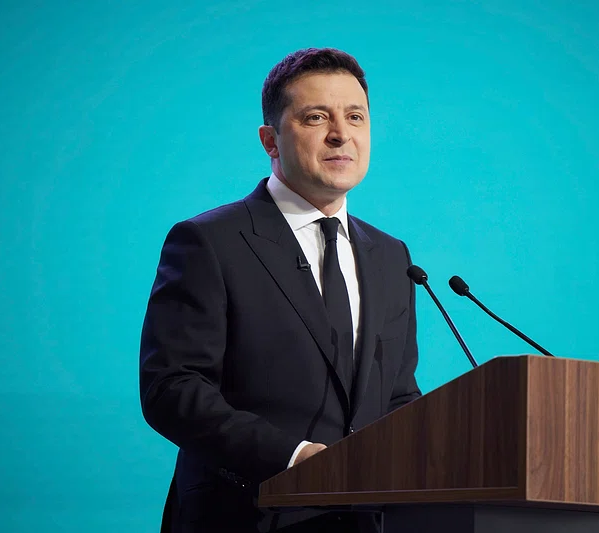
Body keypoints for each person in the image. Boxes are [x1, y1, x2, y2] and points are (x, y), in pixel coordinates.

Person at [139, 48, 421, 533]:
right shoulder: (211, 241)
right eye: (316, 117)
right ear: (270, 140)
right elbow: (172, 388)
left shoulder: (391, 256)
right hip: (244, 515)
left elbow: (397, 397)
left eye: (355, 116)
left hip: (365, 522)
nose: (341, 133)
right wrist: (294, 457)